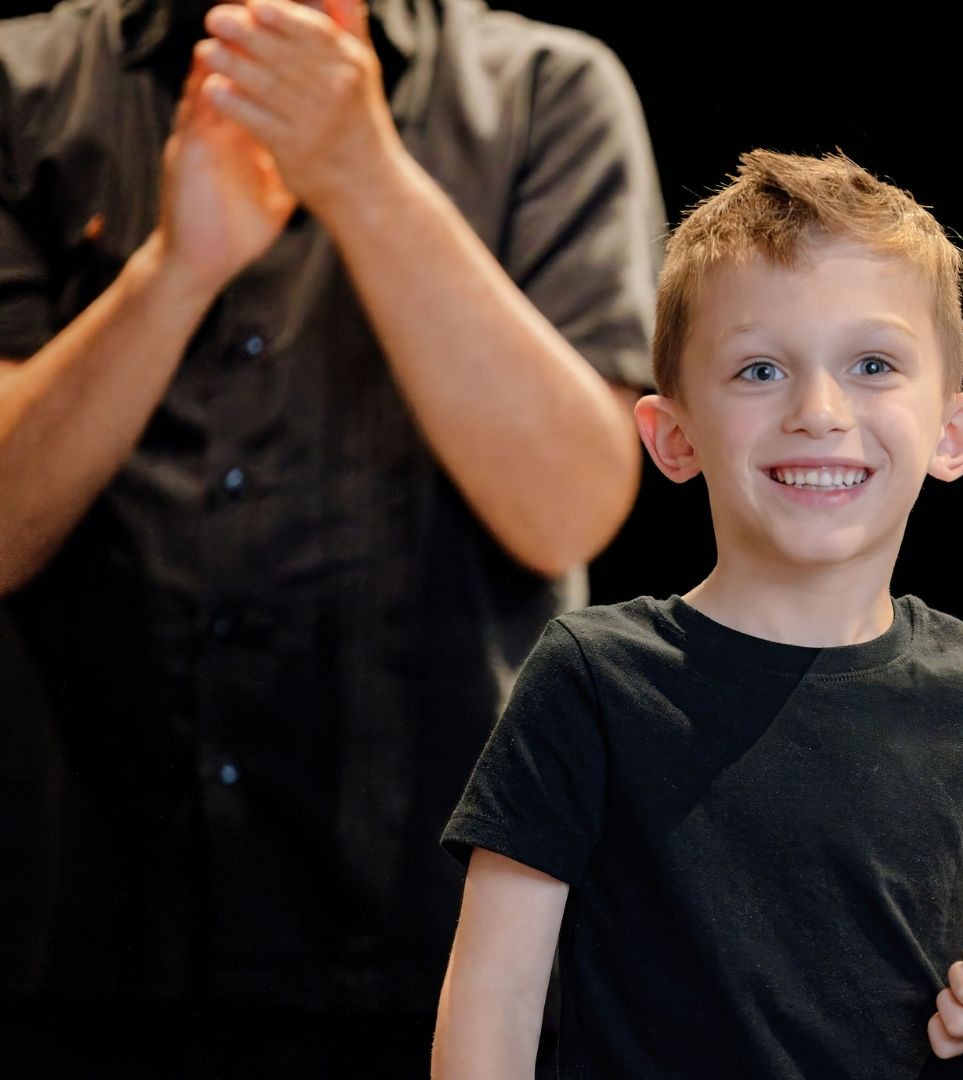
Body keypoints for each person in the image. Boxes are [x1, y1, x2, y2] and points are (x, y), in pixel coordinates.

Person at [0, 0, 664, 1073]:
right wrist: (174, 270)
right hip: (71, 938)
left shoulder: (548, 88)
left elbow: (569, 509)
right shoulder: (24, 83)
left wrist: (365, 176)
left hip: (433, 958)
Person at [434, 149, 963, 1078]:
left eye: (872, 364)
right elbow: (494, 1002)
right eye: (759, 370)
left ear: (954, 434)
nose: (820, 411)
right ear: (673, 437)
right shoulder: (593, 679)